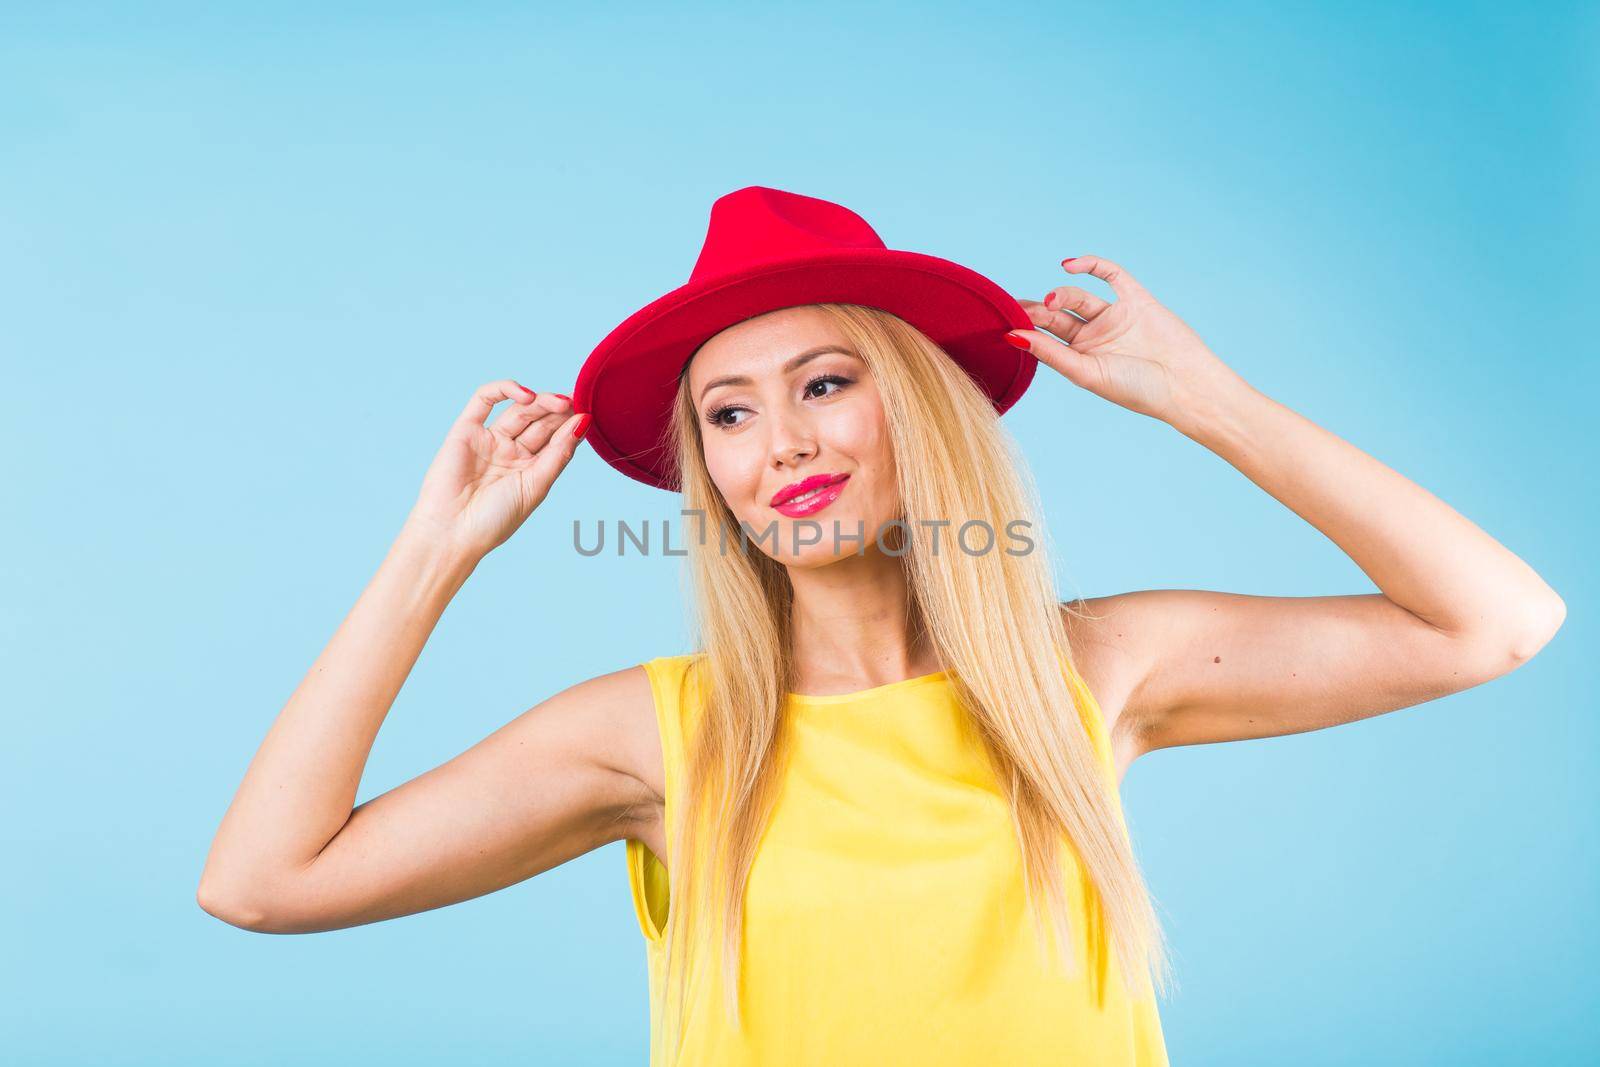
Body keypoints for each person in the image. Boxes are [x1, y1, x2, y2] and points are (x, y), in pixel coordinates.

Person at [197, 187, 1566, 1066]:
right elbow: (264, 883)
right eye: (727, 412)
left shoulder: (1094, 670)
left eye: (826, 383)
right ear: (709, 475)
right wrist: (434, 554)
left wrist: (1205, 397)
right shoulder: (657, 738)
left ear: (915, 405)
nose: (777, 440)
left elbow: (1494, 621)